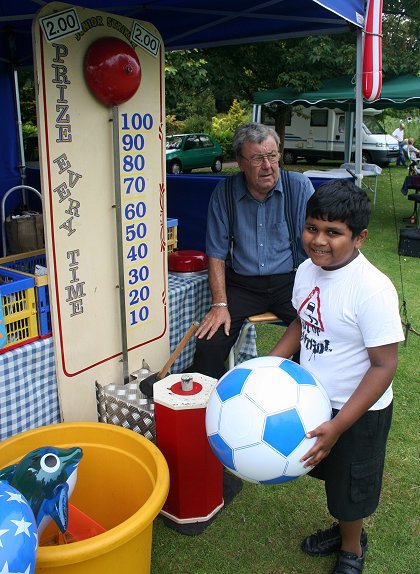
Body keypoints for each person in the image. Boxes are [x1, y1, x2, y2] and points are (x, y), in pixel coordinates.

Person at [269, 180, 404, 574]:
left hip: (358, 411)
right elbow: (302, 321)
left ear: (359, 237)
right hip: (314, 399)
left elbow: (384, 366)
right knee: (332, 478)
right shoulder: (306, 271)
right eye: (313, 228)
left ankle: (352, 550)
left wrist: (340, 424)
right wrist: (267, 365)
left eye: (334, 233)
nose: (319, 241)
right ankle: (345, 528)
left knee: (351, 488)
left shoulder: (373, 290)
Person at [191, 122, 314, 379]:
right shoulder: (224, 194)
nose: (268, 165)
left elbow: (320, 241)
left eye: (272, 156)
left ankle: (294, 400)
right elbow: (216, 254)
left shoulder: (299, 187)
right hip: (242, 286)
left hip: (291, 282)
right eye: (258, 158)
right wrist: (220, 304)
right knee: (208, 345)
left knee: (315, 341)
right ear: (240, 162)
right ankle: (219, 405)